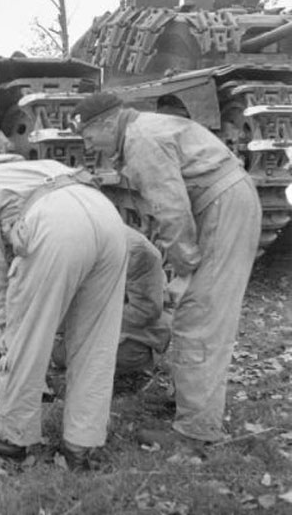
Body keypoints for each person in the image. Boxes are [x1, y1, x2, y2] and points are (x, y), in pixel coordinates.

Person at [74, 92, 261, 446]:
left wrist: (185, 270)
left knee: (199, 317)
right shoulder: (142, 131)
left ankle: (196, 431)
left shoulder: (140, 140)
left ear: (109, 123)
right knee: (198, 313)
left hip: (222, 206)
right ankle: (193, 402)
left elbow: (172, 210)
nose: (90, 146)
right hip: (221, 201)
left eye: (88, 136)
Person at [0, 154, 128, 470]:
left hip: (56, 225)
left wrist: (6, 321)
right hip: (109, 219)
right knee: (96, 340)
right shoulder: (42, 167)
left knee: (27, 338)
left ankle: (14, 437)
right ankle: (81, 443)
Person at [52, 225, 171, 377]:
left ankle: (140, 363)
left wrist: (83, 323)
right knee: (57, 354)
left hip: (135, 327)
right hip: (94, 320)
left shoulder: (137, 252)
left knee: (121, 356)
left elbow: (145, 311)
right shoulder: (66, 244)